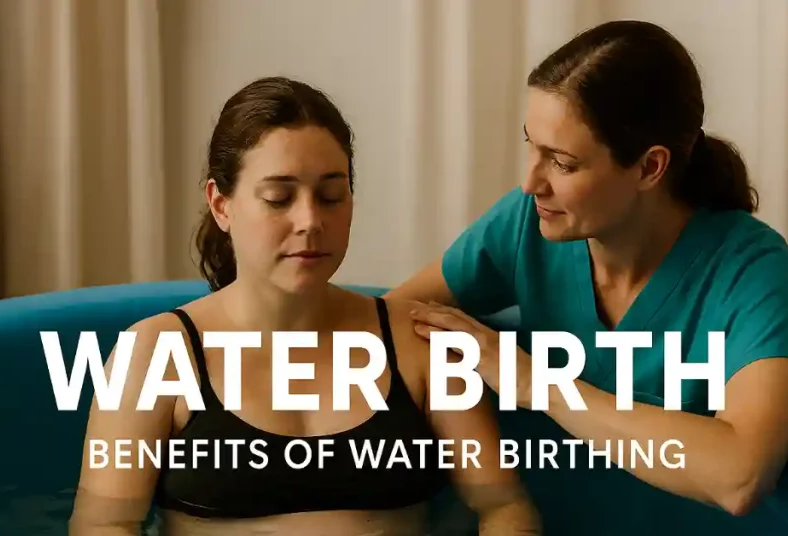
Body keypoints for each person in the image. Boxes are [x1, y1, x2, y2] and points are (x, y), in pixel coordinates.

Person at [386, 20, 788, 534]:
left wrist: (542, 386)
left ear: (649, 168)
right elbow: (382, 324)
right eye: (532, 146)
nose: (530, 183)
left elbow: (741, 475)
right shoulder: (526, 224)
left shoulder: (749, 266)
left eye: (562, 164)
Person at [69, 76, 540, 536]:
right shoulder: (154, 354)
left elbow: (503, 507)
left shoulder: (420, 346)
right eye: (279, 198)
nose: (311, 220)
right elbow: (106, 523)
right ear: (221, 205)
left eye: (331, 196)